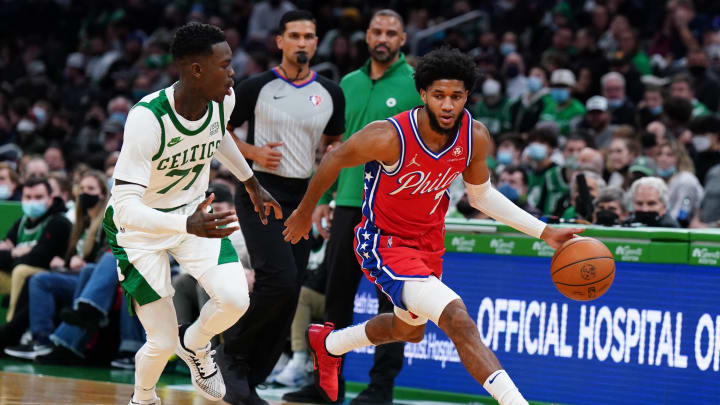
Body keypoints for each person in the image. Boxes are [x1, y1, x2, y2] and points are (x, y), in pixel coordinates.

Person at [283, 47, 581, 405]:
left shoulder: (475, 136)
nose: (447, 105)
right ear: (423, 94)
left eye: (456, 96)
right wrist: (304, 211)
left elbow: (482, 196)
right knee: (458, 318)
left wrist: (544, 231)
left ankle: (329, 343)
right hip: (384, 243)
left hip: (427, 243)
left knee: (407, 331)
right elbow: (333, 159)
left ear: (467, 97)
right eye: (438, 95)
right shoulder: (388, 136)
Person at [104, 22, 281, 405]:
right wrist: (185, 224)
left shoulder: (224, 101)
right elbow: (126, 208)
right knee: (161, 340)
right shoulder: (147, 118)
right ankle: (144, 398)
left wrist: (251, 182)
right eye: (226, 65)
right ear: (196, 69)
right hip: (137, 229)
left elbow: (218, 139)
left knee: (236, 300)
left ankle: (197, 344)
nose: (234, 72)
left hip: (191, 215)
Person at [285, 9, 422, 405]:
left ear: (402, 38)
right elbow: (336, 147)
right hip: (347, 202)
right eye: (377, 31)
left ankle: (381, 389)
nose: (383, 38)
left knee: (393, 301)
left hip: (393, 210)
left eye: (391, 32)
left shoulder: (416, 85)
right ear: (366, 35)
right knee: (336, 298)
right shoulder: (348, 82)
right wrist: (325, 198)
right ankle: (328, 386)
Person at [220, 11, 345, 405]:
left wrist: (326, 182)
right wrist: (253, 152)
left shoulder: (330, 92)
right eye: (295, 36)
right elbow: (217, 130)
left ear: (316, 42)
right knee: (277, 279)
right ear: (280, 42)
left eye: (309, 36)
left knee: (290, 292)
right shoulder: (256, 87)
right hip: (259, 190)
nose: (302, 42)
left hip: (302, 199)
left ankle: (250, 377)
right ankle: (230, 356)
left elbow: (334, 143)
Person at [4, 170, 109, 360]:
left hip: (92, 277)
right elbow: (70, 256)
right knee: (36, 278)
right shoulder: (81, 221)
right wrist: (66, 262)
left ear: (102, 193)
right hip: (73, 273)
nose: (85, 193)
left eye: (91, 188)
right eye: (82, 188)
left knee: (39, 281)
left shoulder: (107, 221)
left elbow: (108, 257)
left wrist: (84, 263)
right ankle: (20, 334)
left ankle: (40, 340)